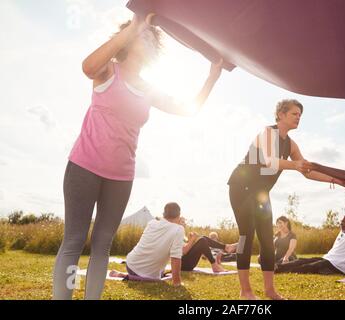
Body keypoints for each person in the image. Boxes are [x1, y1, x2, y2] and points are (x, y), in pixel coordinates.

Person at [52, 13, 223, 300]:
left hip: (121, 175)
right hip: (84, 166)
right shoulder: (108, 71)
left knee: (102, 244)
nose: (150, 41)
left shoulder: (148, 89)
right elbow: (87, 66)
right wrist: (134, 26)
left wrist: (211, 77)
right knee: (74, 241)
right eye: (145, 35)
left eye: (153, 38)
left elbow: (188, 108)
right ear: (131, 38)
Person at [227, 99, 345, 300]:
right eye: (294, 114)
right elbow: (270, 160)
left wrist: (337, 180)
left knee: (268, 242)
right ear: (280, 114)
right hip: (241, 187)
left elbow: (307, 171)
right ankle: (245, 292)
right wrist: (296, 164)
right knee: (246, 236)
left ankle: (270, 291)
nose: (298, 118)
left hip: (261, 192)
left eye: (300, 115)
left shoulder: (291, 144)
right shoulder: (267, 133)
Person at [275, 215, 345, 276]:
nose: (341, 224)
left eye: (344, 222)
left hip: (337, 266)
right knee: (301, 260)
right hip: (327, 259)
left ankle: (278, 269)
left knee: (307, 267)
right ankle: (277, 266)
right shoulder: (342, 232)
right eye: (341, 222)